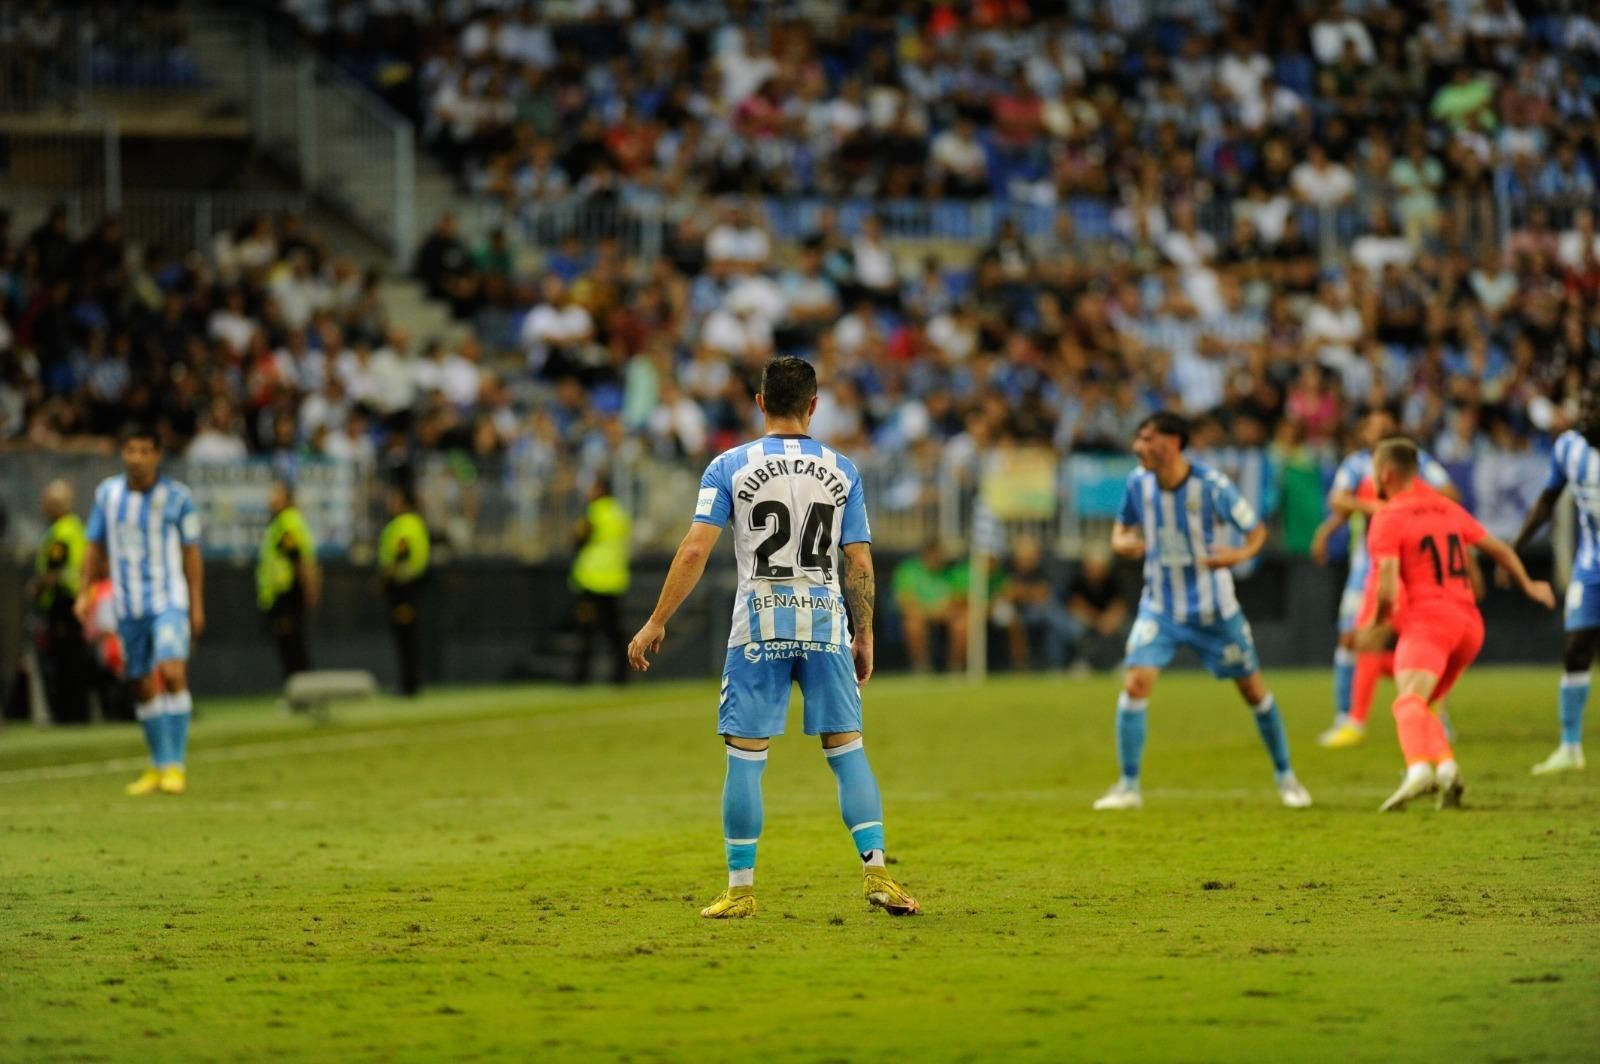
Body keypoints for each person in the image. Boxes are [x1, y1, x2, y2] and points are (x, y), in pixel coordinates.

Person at [626, 356, 920, 919]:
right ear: (814, 405)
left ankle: (741, 890)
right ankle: (878, 873)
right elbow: (859, 561)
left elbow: (695, 548)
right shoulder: (842, 470)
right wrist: (863, 634)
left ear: (759, 402)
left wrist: (657, 619)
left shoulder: (728, 466)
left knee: (745, 759)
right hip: (825, 626)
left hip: (757, 629)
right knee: (847, 751)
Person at [1095, 412, 1313, 811]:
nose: (1138, 447)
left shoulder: (1211, 486)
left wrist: (1238, 555)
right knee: (1135, 684)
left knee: (1252, 690)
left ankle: (1287, 777)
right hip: (1161, 606)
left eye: (1147, 438)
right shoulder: (1137, 483)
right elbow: (1120, 531)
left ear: (1172, 443)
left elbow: (1256, 531)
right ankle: (1128, 786)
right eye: (1138, 438)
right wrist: (1123, 544)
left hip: (1215, 611)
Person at [1363, 438, 1554, 811]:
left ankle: (1418, 769)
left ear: (1385, 475)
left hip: (1429, 622)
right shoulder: (1445, 507)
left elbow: (1386, 587)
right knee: (1426, 704)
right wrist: (1529, 585)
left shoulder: (1387, 517)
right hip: (1468, 626)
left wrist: (1377, 621)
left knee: (1408, 702)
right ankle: (1448, 769)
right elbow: (1499, 549)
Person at [76, 425, 206, 796]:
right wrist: (84, 591)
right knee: (141, 683)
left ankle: (176, 766)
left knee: (172, 670)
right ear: (123, 453)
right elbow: (94, 545)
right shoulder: (107, 495)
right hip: (128, 605)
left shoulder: (177, 497)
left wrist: (196, 603)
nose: (137, 458)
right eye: (131, 450)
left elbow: (191, 553)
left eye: (145, 451)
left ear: (157, 455)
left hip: (169, 601)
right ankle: (159, 764)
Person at [1315, 408, 1455, 747]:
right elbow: (1339, 502)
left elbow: (1450, 498)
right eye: (1372, 427)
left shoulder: (1416, 468)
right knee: (1356, 640)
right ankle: (1349, 715)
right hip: (1370, 568)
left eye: (1384, 427)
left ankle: (1428, 710)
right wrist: (1330, 529)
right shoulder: (1358, 468)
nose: (1377, 432)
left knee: (1410, 643)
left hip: (1411, 571)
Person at [1511, 388, 1600, 775]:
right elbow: (1547, 501)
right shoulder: (1568, 448)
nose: (1586, 415)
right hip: (1591, 566)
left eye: (1594, 409)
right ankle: (1570, 746)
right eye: (1584, 407)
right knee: (1576, 647)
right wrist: (1514, 548)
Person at [29, 480, 87, 723]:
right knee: (74, 658)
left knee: (63, 660)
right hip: (76, 600)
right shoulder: (76, 527)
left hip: (62, 602)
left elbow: (53, 571)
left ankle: (67, 714)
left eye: (46, 501)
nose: (43, 506)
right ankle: (77, 712)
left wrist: (35, 588)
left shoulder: (60, 533)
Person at [570, 475, 631, 685]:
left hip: (592, 579)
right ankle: (621, 674)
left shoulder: (592, 513)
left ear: (600, 490)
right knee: (614, 631)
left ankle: (581, 676)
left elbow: (579, 540)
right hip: (614, 578)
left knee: (586, 630)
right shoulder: (620, 513)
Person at [257, 480, 319, 680]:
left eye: (276, 494)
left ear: (286, 498)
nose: (271, 498)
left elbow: (297, 557)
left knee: (292, 643)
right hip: (281, 593)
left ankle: (301, 687)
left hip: (287, 592)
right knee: (290, 642)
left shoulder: (287, 521)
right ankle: (299, 687)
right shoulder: (281, 522)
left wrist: (309, 587)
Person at [378, 485, 430, 697]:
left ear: (405, 503)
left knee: (405, 638)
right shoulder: (417, 524)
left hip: (403, 588)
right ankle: (410, 684)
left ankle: (408, 686)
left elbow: (401, 556)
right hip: (413, 586)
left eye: (396, 500)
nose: (392, 504)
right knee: (409, 638)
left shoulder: (403, 525)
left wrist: (384, 578)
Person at [892, 541, 960, 672]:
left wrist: (942, 611)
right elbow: (905, 601)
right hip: (920, 615)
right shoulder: (908, 570)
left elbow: (957, 599)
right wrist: (929, 612)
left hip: (944, 615)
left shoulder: (950, 572)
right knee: (912, 625)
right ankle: (921, 667)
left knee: (961, 625)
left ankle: (955, 668)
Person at [1065, 548, 1129, 672]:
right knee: (1075, 627)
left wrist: (1111, 618)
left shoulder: (1113, 580)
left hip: (1108, 620)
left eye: (1100, 568)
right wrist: (1098, 620)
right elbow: (1075, 606)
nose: (1096, 572)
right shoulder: (1078, 581)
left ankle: (1121, 661)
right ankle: (1082, 661)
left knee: (1126, 626)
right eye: (1092, 568)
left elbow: (1120, 604)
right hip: (1087, 619)